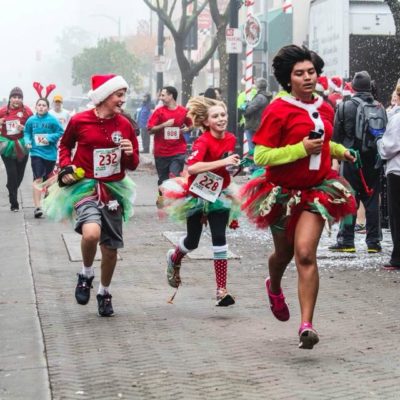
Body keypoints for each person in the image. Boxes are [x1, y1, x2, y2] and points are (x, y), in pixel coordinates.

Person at [240, 45, 356, 349]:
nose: (308, 78)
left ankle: (306, 325)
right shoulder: (278, 110)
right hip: (281, 193)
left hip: (317, 189)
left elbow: (324, 142)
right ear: (288, 79)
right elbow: (261, 155)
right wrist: (300, 150)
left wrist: (341, 151)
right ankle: (274, 285)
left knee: (305, 253)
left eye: (311, 72)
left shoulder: (326, 106)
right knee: (284, 254)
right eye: (299, 73)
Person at [43, 74, 139, 317]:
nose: (122, 100)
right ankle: (86, 273)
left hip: (114, 189)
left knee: (110, 249)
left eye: (124, 95)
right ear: (104, 96)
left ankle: (104, 292)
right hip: (84, 185)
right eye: (119, 95)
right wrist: (65, 166)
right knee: (92, 233)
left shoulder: (125, 125)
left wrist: (129, 152)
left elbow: (133, 163)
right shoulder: (79, 120)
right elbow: (64, 145)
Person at [161, 96, 241, 306]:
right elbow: (193, 168)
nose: (221, 119)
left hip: (219, 195)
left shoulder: (231, 138)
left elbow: (229, 165)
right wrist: (223, 161)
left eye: (223, 114)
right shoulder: (203, 141)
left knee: (219, 237)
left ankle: (221, 290)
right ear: (206, 122)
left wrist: (234, 167)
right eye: (215, 116)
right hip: (197, 196)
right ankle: (175, 257)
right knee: (192, 241)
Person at [329, 71, 384, 253]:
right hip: (374, 160)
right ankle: (374, 242)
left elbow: (336, 137)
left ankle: (346, 241)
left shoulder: (345, 107)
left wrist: (337, 158)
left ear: (352, 87)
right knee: (372, 200)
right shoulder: (379, 107)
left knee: (349, 198)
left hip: (351, 158)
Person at [147, 86, 192, 208]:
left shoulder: (183, 111)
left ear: (171, 95)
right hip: (161, 152)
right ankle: (162, 197)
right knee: (163, 179)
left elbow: (191, 124)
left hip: (178, 150)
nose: (160, 97)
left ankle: (174, 200)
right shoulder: (159, 112)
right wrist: (164, 125)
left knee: (174, 175)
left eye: (163, 95)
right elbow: (150, 129)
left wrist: (188, 128)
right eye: (160, 95)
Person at [24, 97, 64, 218]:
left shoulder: (53, 120)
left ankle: (47, 198)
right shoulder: (31, 120)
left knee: (47, 180)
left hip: (50, 154)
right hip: (36, 153)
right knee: (38, 179)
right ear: (36, 107)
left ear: (48, 108)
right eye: (39, 105)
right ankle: (37, 207)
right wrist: (28, 142)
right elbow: (26, 132)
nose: (41, 107)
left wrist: (49, 138)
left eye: (44, 105)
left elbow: (60, 132)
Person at [0, 87, 33, 211]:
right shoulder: (3, 111)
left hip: (22, 145)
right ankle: (14, 203)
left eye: (19, 97)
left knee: (19, 175)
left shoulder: (27, 111)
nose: (17, 100)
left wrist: (24, 128)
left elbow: (33, 127)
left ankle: (11, 187)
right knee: (12, 173)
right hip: (6, 145)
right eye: (14, 97)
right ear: (10, 98)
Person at [377, 110, 400, 270]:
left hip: (397, 171)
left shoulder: (397, 119)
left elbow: (388, 148)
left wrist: (379, 141)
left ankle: (397, 257)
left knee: (397, 215)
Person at [243, 77, 272, 172]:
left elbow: (249, 110)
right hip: (259, 124)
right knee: (257, 147)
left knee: (252, 147)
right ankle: (256, 167)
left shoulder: (259, 97)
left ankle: (255, 168)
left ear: (258, 86)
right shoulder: (266, 97)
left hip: (253, 124)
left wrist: (245, 107)